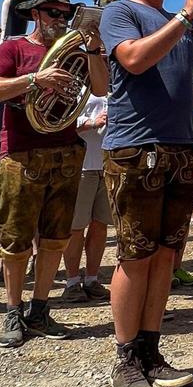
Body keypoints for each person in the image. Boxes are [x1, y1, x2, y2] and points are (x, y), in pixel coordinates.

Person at [99, 0, 193, 387]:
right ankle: (125, 355)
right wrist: (186, 16)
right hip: (135, 147)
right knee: (135, 255)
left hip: (181, 147)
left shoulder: (184, 24)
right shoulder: (120, 13)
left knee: (166, 255)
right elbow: (133, 60)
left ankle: (150, 349)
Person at [0, 0, 108, 348]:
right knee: (16, 236)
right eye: (52, 12)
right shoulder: (14, 48)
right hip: (22, 152)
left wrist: (94, 50)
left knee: (55, 237)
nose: (60, 20)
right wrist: (36, 79)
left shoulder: (77, 52)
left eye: (65, 14)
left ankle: (39, 308)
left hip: (65, 151)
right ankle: (13, 309)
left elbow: (101, 88)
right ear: (35, 14)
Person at [62, 93, 112, 303]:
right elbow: (61, 123)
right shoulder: (77, 87)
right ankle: (72, 281)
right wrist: (91, 122)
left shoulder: (114, 85)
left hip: (107, 164)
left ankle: (92, 279)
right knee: (76, 227)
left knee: (100, 225)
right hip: (81, 165)